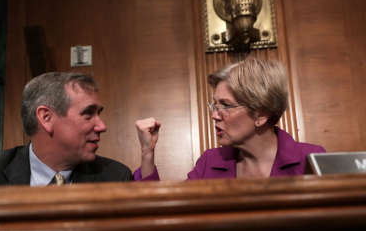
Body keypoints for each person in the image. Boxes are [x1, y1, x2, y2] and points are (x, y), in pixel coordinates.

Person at [135, 58, 325, 180]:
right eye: (215, 105)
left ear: (261, 114)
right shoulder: (209, 163)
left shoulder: (310, 160)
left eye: (225, 106)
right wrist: (147, 153)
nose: (214, 115)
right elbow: (167, 219)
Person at [0, 72, 132, 186]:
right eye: (88, 115)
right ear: (46, 118)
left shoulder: (116, 177)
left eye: (99, 114)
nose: (102, 126)